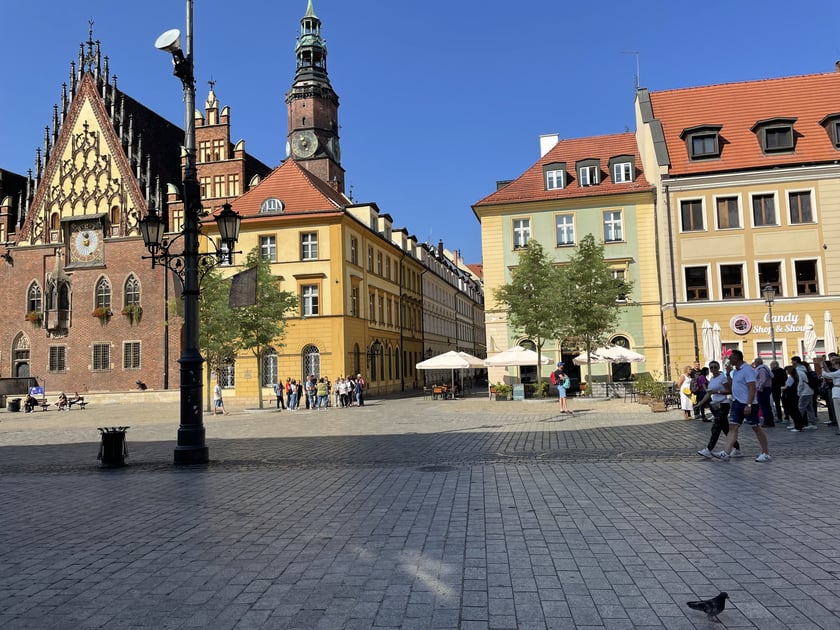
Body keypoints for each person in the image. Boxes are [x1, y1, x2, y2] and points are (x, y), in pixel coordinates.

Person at [715, 349, 771, 462]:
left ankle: (765, 453)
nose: (729, 359)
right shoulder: (736, 371)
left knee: (756, 427)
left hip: (747, 403)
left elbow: (752, 387)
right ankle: (726, 452)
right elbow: (731, 387)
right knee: (733, 427)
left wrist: (749, 404)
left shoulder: (747, 370)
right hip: (736, 403)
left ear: (736, 358)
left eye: (731, 357)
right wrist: (727, 374)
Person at [695, 361, 741, 458]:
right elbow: (709, 393)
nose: (713, 369)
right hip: (715, 406)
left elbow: (729, 391)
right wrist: (700, 403)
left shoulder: (722, 378)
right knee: (725, 429)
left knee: (716, 427)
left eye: (715, 367)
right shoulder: (712, 379)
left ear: (718, 367)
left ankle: (708, 449)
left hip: (723, 405)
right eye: (711, 367)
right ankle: (737, 448)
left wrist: (718, 391)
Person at [792, 356, 818, 430]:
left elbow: (800, 383)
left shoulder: (798, 371)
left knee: (800, 409)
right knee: (810, 408)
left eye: (792, 361)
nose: (792, 363)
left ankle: (798, 425)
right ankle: (813, 424)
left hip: (804, 392)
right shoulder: (805, 369)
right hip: (810, 390)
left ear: (795, 361)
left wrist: (798, 392)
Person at [752, 357, 775, 427]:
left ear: (758, 362)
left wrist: (759, 388)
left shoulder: (761, 369)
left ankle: (768, 422)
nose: (754, 364)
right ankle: (769, 421)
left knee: (765, 406)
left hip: (763, 389)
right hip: (765, 389)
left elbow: (763, 380)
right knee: (766, 406)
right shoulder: (763, 368)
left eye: (755, 362)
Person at [782, 365, 803, 431]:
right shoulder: (795, 377)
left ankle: (798, 426)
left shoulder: (791, 378)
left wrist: (781, 388)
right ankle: (796, 424)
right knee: (794, 410)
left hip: (791, 396)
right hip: (794, 395)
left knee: (793, 411)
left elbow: (787, 387)